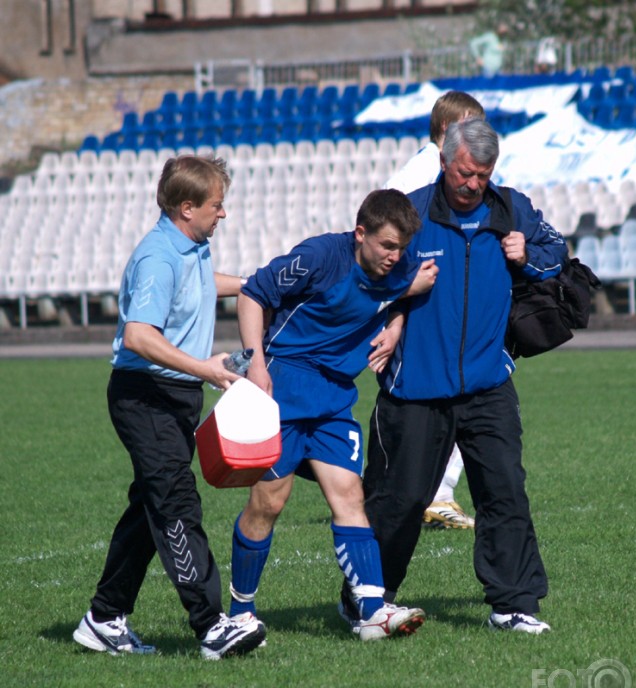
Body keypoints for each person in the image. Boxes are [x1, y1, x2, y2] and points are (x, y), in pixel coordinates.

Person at [350, 119, 568, 634]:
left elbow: (556, 251)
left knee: (504, 490)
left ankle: (513, 603)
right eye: (465, 173)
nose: (473, 184)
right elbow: (367, 271)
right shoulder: (412, 212)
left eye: (483, 175)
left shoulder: (512, 207)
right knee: (399, 501)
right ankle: (368, 600)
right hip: (416, 387)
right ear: (445, 162)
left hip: (489, 384)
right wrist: (400, 307)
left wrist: (529, 254)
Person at [73, 155, 267, 660]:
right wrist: (204, 368)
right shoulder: (158, 257)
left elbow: (204, 284)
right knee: (176, 503)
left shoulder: (193, 245)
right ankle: (210, 625)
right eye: (216, 205)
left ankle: (104, 617)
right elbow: (138, 336)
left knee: (150, 507)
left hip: (174, 397)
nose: (222, 214)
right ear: (187, 207)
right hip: (146, 396)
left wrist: (254, 285)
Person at [229, 189, 438, 641]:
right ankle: (239, 611)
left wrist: (398, 320)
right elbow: (252, 294)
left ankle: (371, 612)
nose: (394, 256)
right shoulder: (320, 257)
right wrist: (256, 363)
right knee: (269, 502)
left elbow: (400, 289)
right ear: (360, 233)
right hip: (283, 385)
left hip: (335, 396)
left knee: (348, 494)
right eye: (385, 245)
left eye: (401, 248)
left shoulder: (400, 264)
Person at [384, 89, 485, 530]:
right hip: (428, 303)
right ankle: (434, 494)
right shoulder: (427, 172)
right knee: (452, 395)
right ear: (448, 128)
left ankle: (418, 490)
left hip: (430, 300)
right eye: (471, 125)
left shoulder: (431, 167)